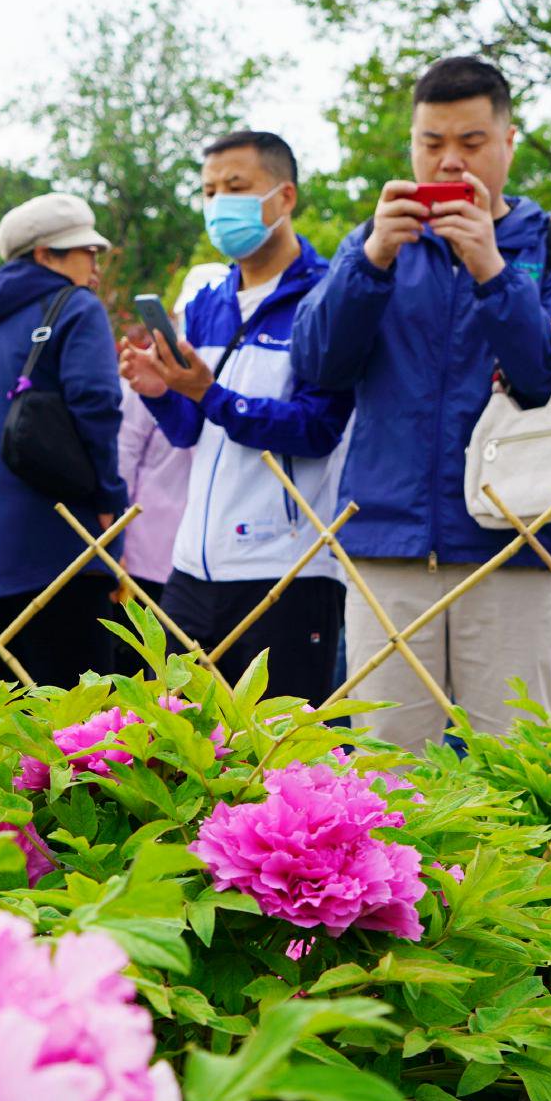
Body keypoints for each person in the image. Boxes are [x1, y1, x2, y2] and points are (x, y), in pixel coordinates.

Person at [294, 57, 551, 745]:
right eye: (431, 143)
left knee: (516, 765)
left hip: (515, 545)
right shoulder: (373, 243)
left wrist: (492, 269)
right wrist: (371, 261)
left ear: (509, 143)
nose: (450, 161)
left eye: (471, 141)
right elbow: (315, 365)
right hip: (388, 544)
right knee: (388, 769)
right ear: (411, 146)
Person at [121, 132, 351, 700]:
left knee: (276, 746)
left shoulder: (325, 300)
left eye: (236, 186)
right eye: (209, 191)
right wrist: (161, 392)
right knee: (172, 736)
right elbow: (188, 430)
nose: (219, 203)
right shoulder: (209, 301)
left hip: (287, 568)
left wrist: (212, 395)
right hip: (192, 566)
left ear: (284, 196)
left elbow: (318, 428)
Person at [0, 193, 126, 688]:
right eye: (87, 252)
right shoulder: (76, 309)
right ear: (45, 254)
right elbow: (97, 406)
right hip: (57, 550)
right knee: (73, 725)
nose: (96, 268)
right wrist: (108, 502)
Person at [115, 264, 226, 600]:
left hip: (214, 550)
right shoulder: (150, 374)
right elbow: (124, 454)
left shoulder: (234, 375)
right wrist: (115, 538)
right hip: (149, 548)